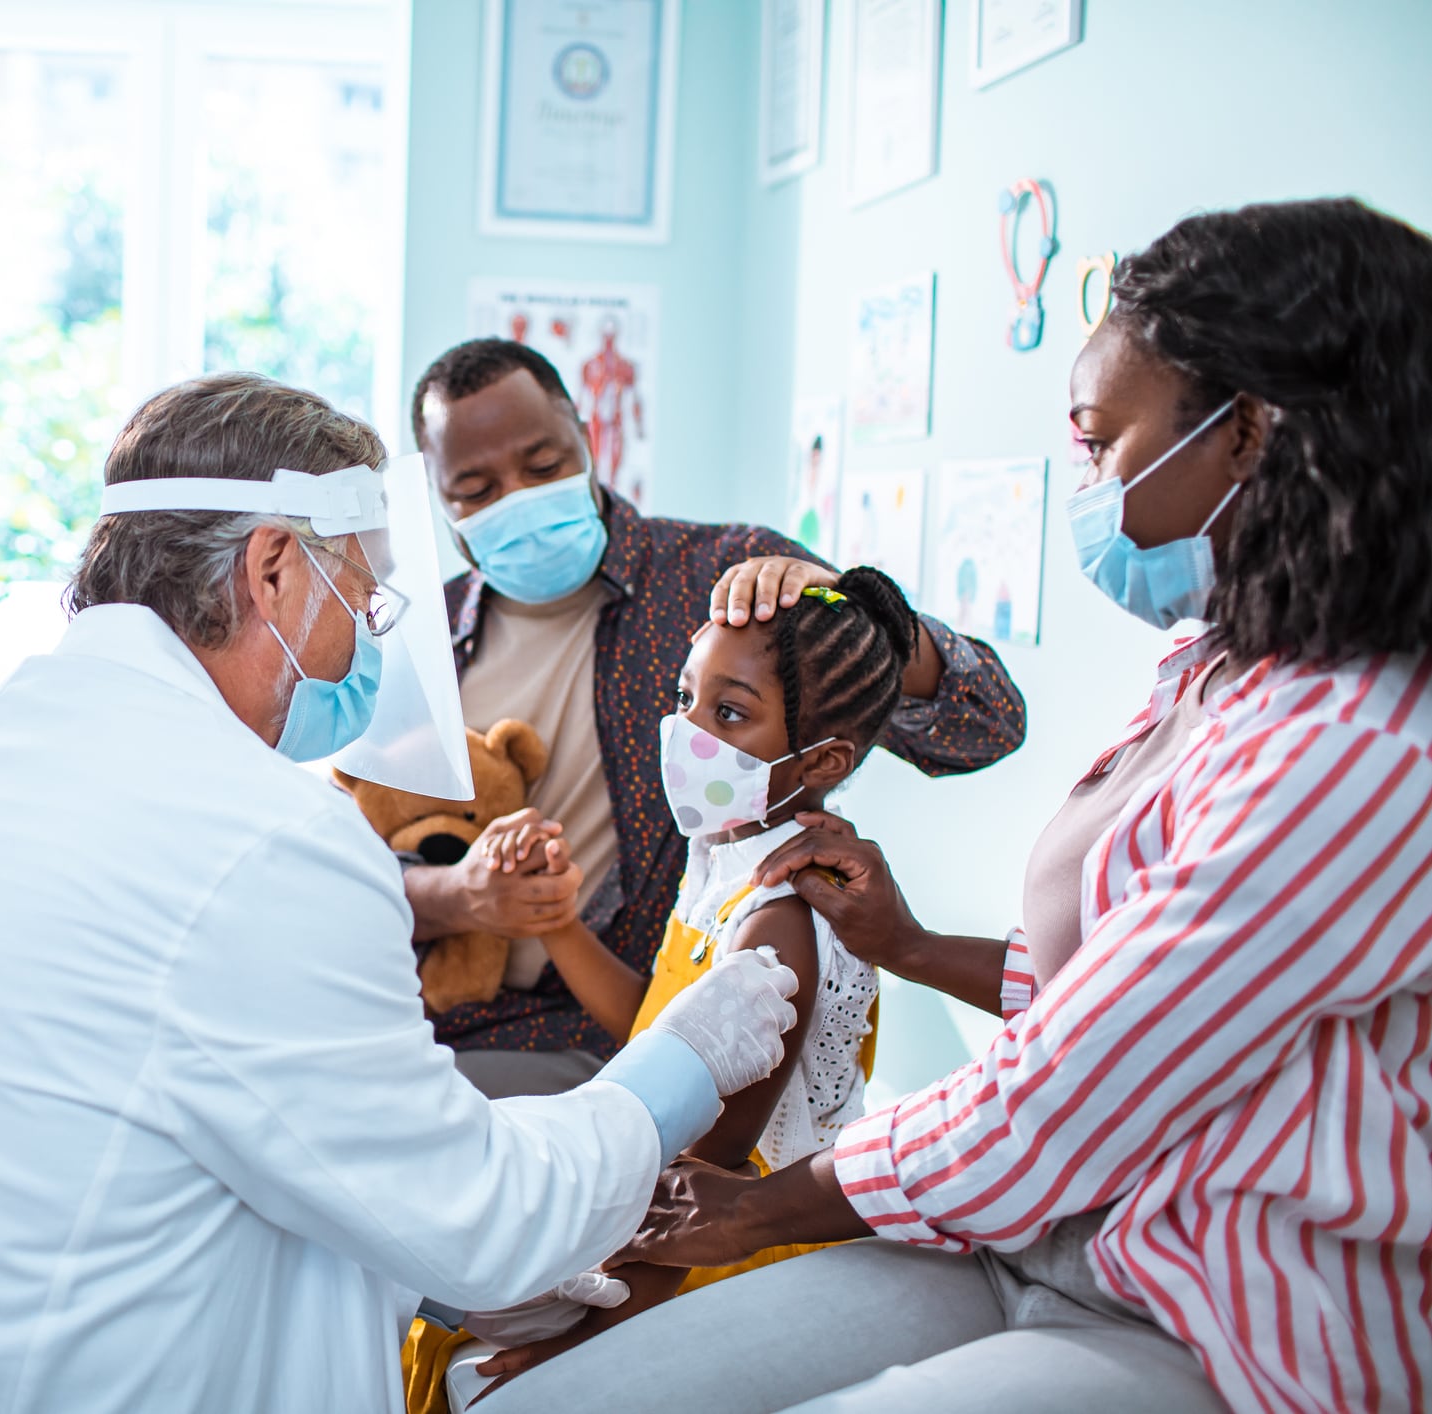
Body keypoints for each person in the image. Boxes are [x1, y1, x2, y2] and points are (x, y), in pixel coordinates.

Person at [471, 197, 1432, 1412]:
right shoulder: (1212, 666)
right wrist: (913, 946)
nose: (1086, 480)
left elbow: (1077, 1079)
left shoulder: (1356, 747)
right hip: (1033, 1227)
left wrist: (761, 1206)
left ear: (1246, 436)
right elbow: (1116, 983)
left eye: (1098, 441)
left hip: (1212, 1300)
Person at [0, 373, 813, 1414]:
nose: (364, 653)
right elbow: (485, 1220)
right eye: (365, 603)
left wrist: (413, 1268)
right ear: (274, 567)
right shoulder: (262, 839)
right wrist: (683, 1059)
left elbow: (135, 1118)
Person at [404, 338, 1027, 1100]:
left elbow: (985, 725)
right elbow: (360, 865)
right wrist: (460, 895)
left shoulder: (729, 585)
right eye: (475, 488)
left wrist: (849, 600)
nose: (519, 499)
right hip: (446, 1020)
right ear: (436, 500)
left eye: (541, 466)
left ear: (585, 435)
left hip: (632, 1038)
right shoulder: (421, 642)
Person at [425, 567, 921, 1413]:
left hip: (723, 1238)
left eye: (728, 713)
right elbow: (650, 1026)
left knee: (464, 1359)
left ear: (824, 759)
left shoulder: (783, 920)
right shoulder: (723, 854)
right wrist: (557, 924)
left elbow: (711, 1174)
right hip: (663, 1192)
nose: (685, 731)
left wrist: (582, 1337)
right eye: (685, 696)